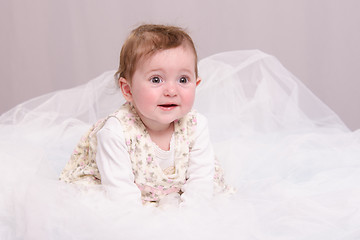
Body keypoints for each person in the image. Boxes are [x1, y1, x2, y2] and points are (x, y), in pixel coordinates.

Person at [59, 24, 232, 208]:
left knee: (216, 197)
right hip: (124, 195)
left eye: (183, 80)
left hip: (176, 194)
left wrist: (188, 220)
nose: (172, 91)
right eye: (156, 79)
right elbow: (121, 197)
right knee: (93, 204)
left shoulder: (196, 125)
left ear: (196, 84)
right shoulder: (116, 132)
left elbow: (200, 183)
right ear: (128, 90)